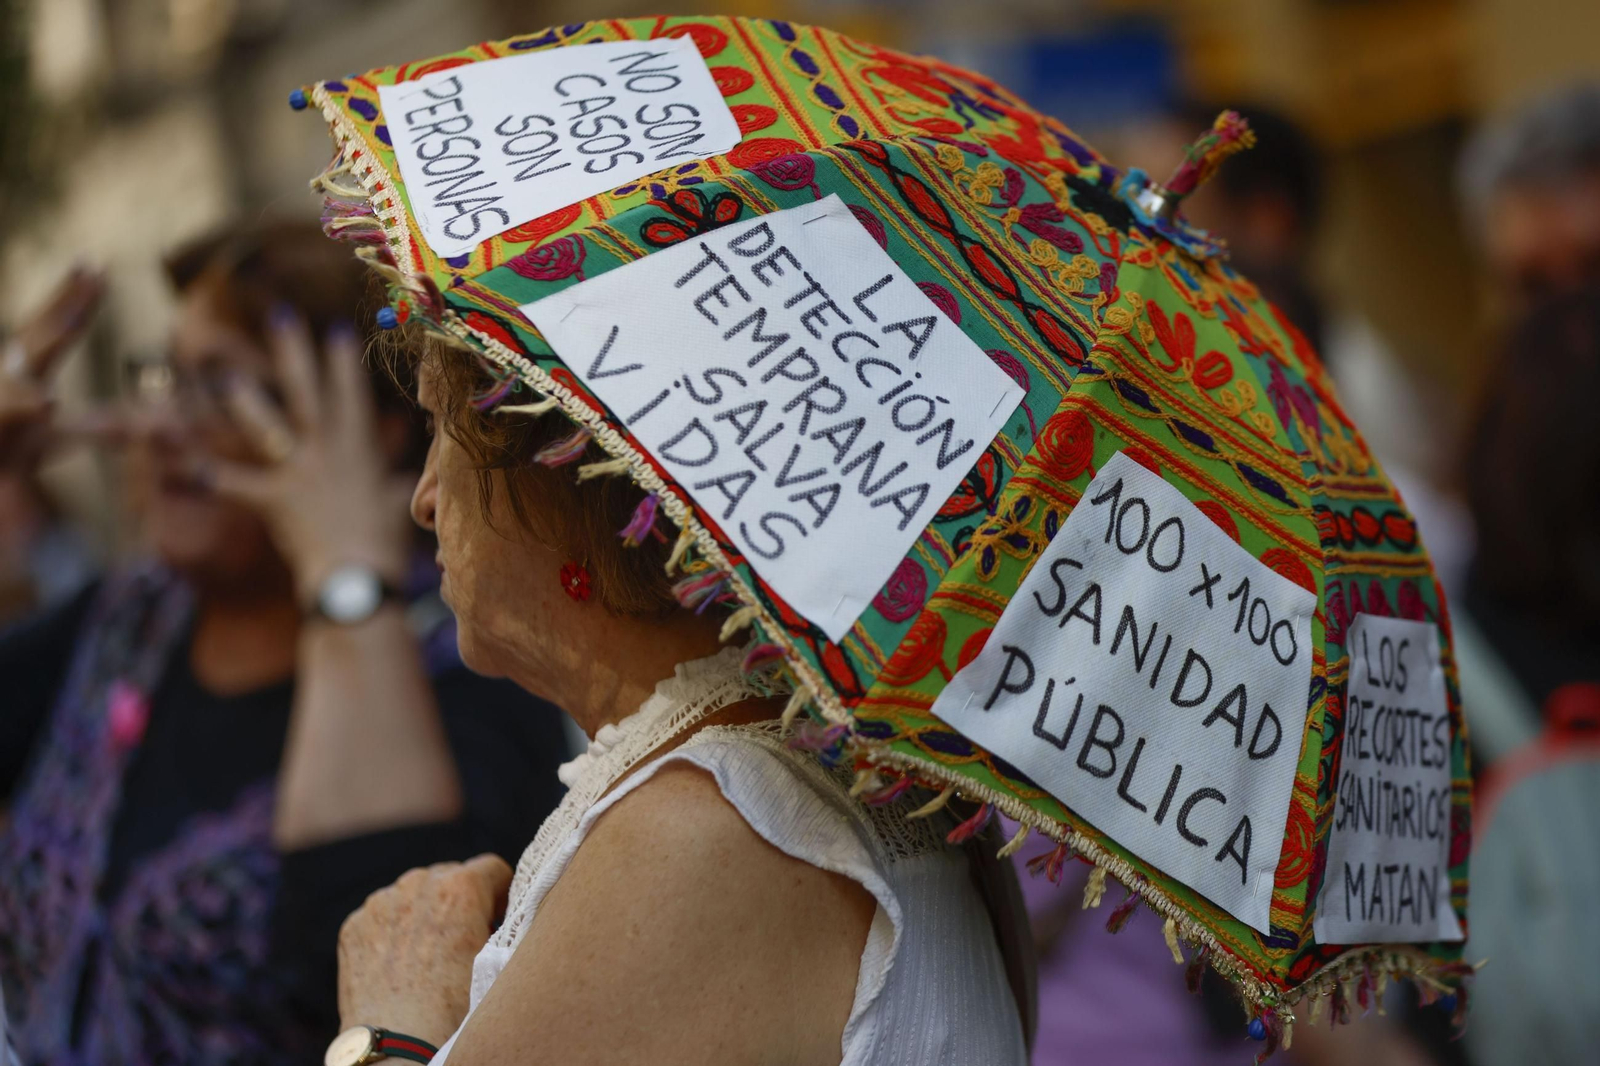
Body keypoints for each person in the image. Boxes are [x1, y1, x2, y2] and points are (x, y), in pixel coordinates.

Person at [326, 330, 1033, 1064]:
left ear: (561, 478)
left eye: (442, 428)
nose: (424, 499)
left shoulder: (709, 829)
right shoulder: (781, 783)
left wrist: (389, 1024)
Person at [0, 225, 571, 1064]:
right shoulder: (126, 622)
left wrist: (345, 577)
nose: (162, 425)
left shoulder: (470, 661)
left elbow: (370, 967)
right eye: (166, 378)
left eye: (223, 388)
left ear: (373, 430)